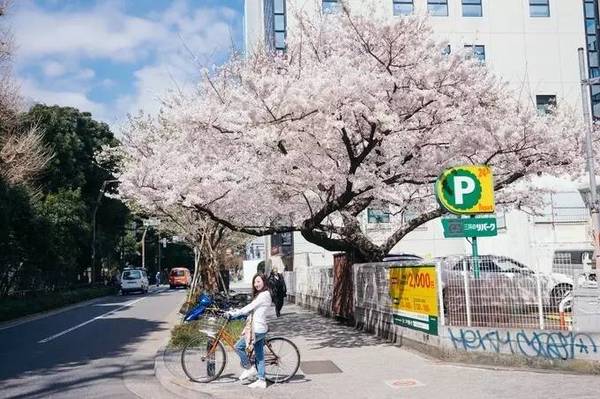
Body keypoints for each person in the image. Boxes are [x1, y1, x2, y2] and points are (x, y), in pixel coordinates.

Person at [226, 273, 272, 389]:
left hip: (257, 329)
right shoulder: (263, 294)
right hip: (260, 328)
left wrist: (235, 313)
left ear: (264, 282)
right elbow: (252, 308)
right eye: (255, 282)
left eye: (259, 281)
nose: (256, 284)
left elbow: (250, 307)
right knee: (260, 355)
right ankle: (261, 380)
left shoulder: (264, 295)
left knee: (238, 347)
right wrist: (236, 311)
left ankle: (249, 368)